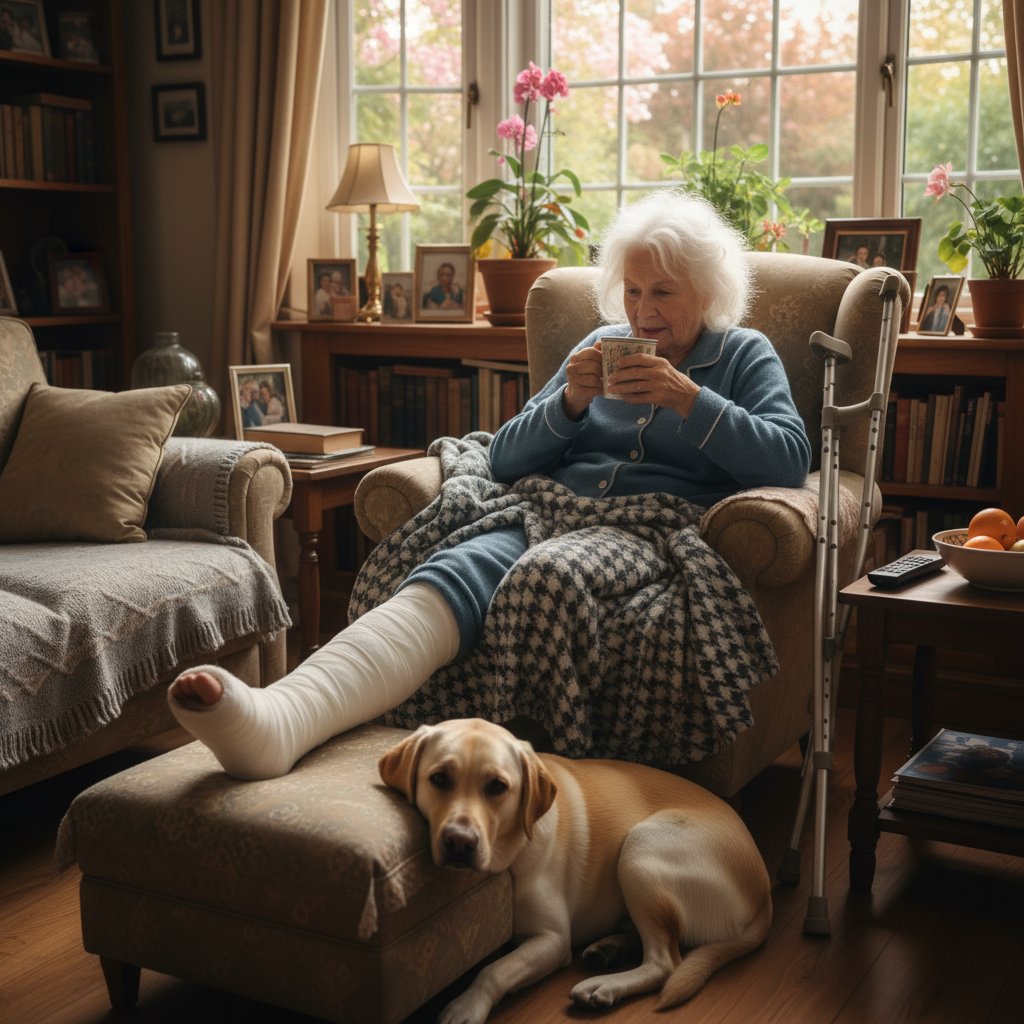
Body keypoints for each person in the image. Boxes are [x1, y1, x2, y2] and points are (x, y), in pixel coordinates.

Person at [166, 190, 812, 781]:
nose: (642, 312)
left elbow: (787, 460)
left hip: (645, 526)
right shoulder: (598, 344)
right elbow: (504, 457)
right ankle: (281, 719)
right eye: (634, 290)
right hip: (545, 505)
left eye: (663, 293)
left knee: (548, 575)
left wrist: (690, 400)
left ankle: (543, 779)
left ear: (705, 292)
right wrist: (570, 402)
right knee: (454, 566)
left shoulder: (740, 354)